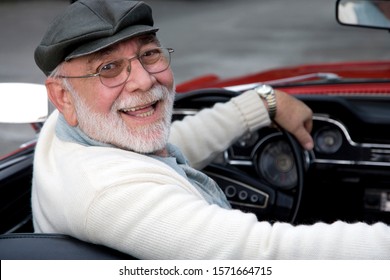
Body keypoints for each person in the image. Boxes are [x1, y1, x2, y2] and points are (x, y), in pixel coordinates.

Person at [31, 0, 390, 259]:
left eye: (149, 54)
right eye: (108, 67)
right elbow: (262, 255)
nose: (142, 80)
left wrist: (264, 103)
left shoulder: (69, 130)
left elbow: (167, 152)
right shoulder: (108, 194)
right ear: (62, 96)